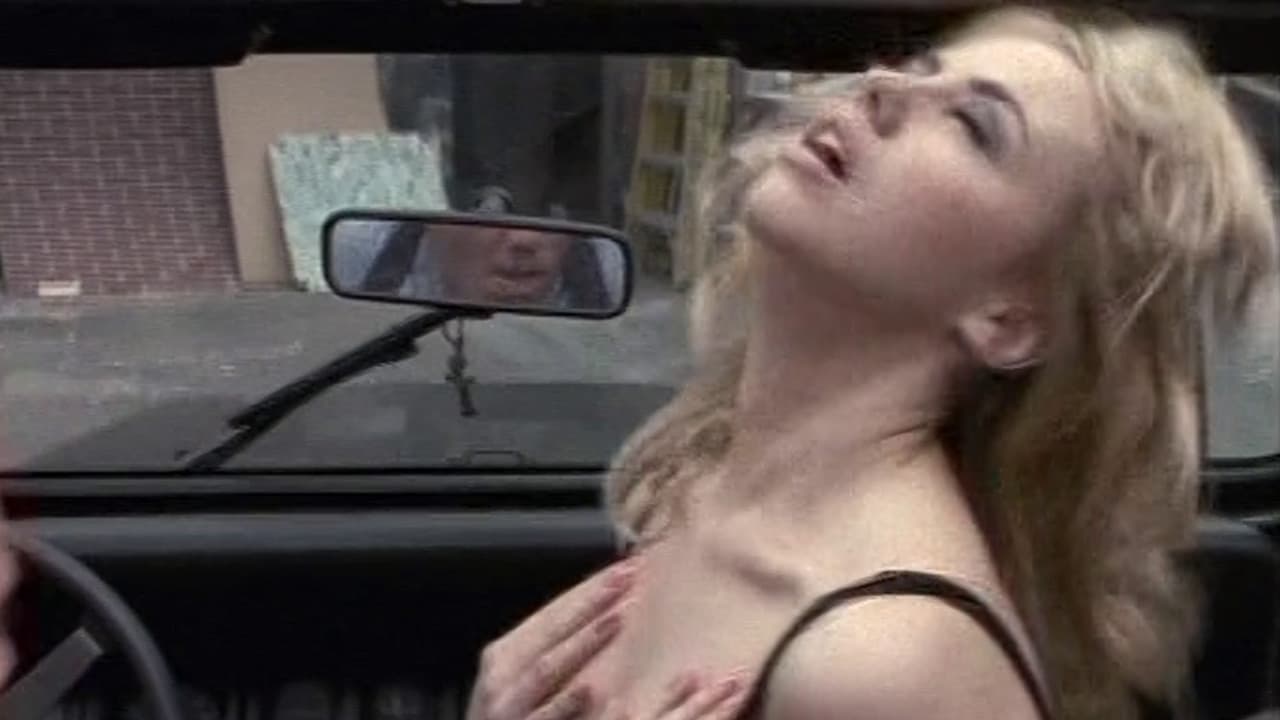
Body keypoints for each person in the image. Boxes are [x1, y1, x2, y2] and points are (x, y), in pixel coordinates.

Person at [465, 6, 1279, 720]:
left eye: (975, 126)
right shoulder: (692, 482)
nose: (883, 85)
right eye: (919, 68)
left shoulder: (885, 663)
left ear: (1009, 321)